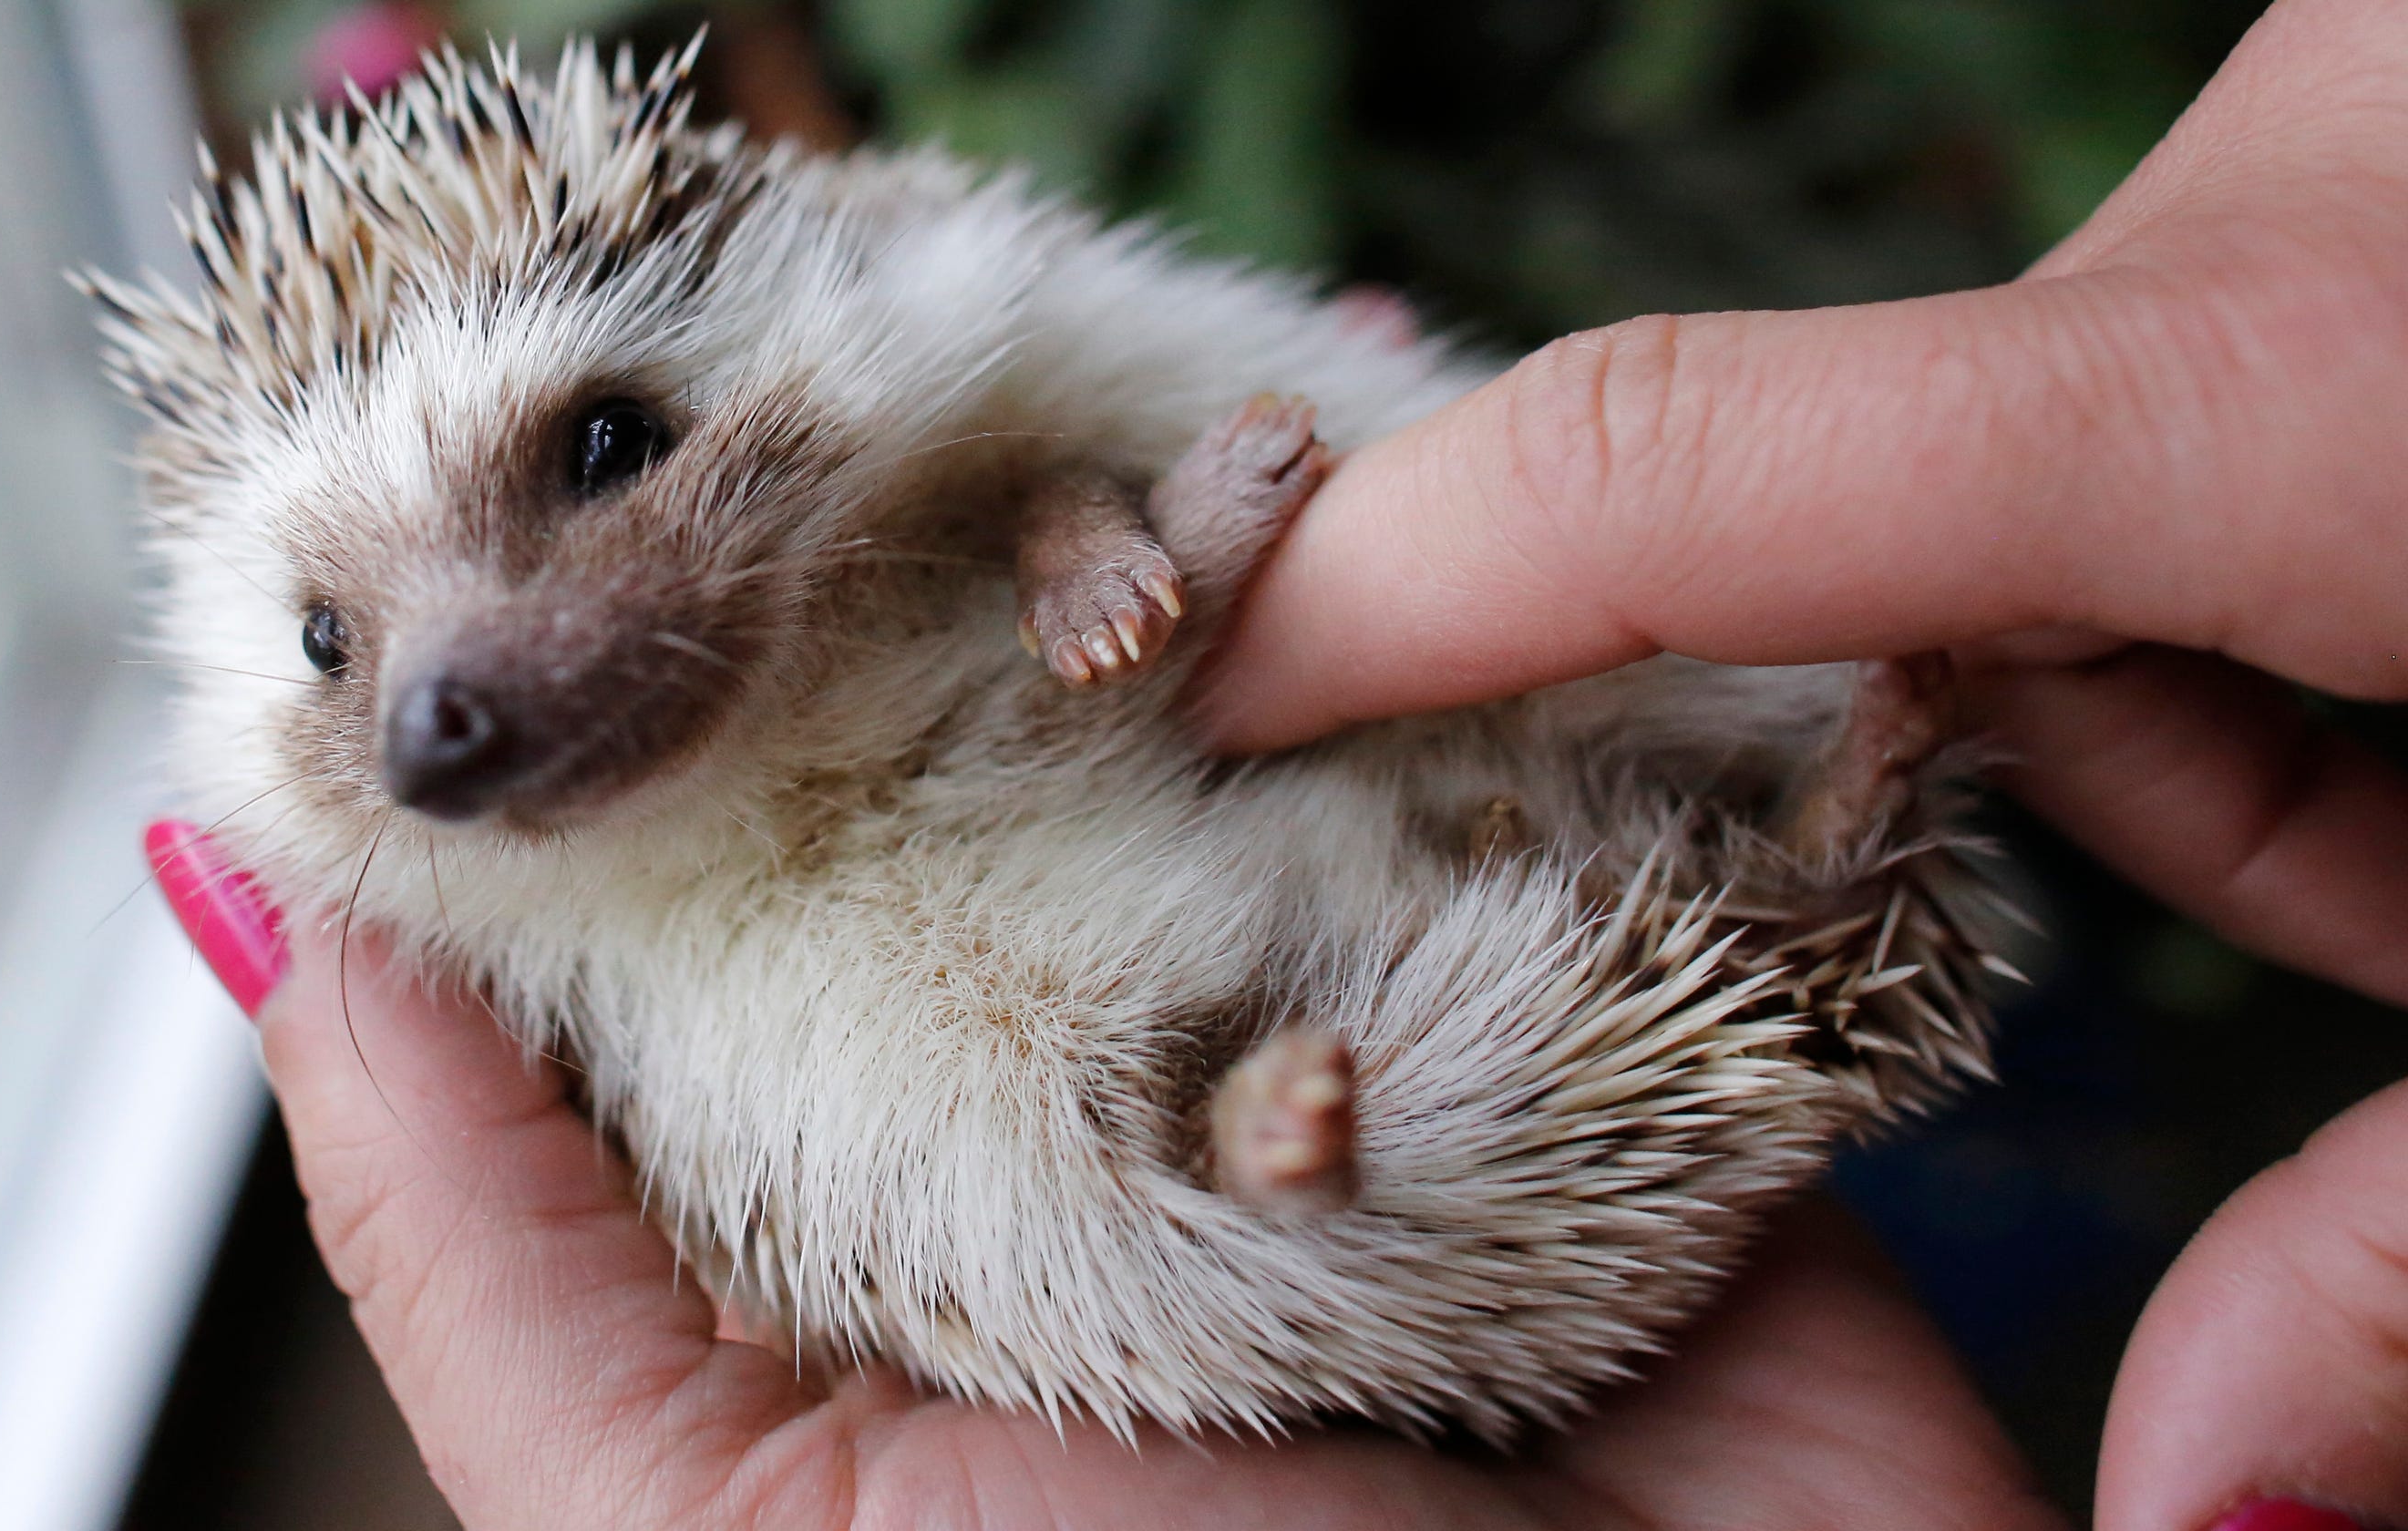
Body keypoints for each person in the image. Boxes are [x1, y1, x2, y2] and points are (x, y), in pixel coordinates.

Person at [148, 0, 2408, 1524]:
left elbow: (1048, 468)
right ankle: (1249, 1135)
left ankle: (1728, 879)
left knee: (1612, 730)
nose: (443, 695)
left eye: (604, 448)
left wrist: (1084, 536)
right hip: (1187, 1055)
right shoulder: (525, 885)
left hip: (1364, 787)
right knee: (1072, 1148)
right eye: (339, 641)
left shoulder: (950, 378)